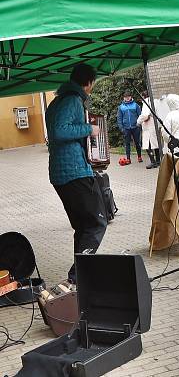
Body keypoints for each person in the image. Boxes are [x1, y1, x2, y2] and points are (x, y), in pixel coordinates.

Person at [45, 63, 106, 283]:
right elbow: (60, 131)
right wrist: (89, 129)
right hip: (75, 173)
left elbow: (58, 129)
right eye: (92, 84)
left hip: (61, 174)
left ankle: (82, 273)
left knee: (82, 226)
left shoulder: (57, 101)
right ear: (88, 82)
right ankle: (77, 275)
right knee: (97, 223)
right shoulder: (72, 99)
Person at [137, 89, 161, 169]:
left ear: (143, 96)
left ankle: (153, 162)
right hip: (154, 125)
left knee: (148, 145)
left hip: (148, 127)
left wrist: (138, 122)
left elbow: (145, 115)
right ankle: (158, 161)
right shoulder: (155, 102)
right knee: (156, 144)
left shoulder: (146, 102)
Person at [116, 91, 142, 164]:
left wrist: (139, 125)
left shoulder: (135, 105)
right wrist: (121, 128)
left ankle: (139, 156)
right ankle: (128, 159)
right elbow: (119, 118)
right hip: (126, 128)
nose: (127, 98)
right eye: (125, 97)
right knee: (127, 144)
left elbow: (140, 116)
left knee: (137, 143)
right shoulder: (121, 107)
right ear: (124, 98)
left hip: (135, 127)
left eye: (128, 96)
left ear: (131, 97)